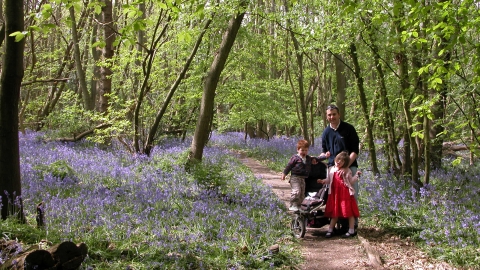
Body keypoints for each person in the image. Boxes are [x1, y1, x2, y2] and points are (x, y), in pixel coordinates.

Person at [320, 104, 360, 226]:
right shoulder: (326, 132)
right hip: (333, 169)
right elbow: (325, 151)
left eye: (334, 114)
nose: (332, 117)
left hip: (349, 167)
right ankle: (338, 222)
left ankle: (352, 225)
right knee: (334, 196)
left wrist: (346, 166)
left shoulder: (348, 129)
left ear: (339, 115)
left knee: (351, 194)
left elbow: (355, 151)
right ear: (326, 116)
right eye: (329, 115)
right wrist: (319, 158)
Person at [318, 151, 361, 238]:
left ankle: (351, 230)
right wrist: (323, 181)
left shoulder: (346, 171)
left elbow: (351, 181)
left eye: (342, 161)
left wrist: (357, 175)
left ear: (345, 163)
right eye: (338, 160)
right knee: (335, 212)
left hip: (345, 194)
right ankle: (330, 230)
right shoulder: (331, 169)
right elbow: (329, 180)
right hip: (335, 194)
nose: (339, 162)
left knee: (349, 212)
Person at [281, 139, 316, 212]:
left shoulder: (308, 158)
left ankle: (299, 206)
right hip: (295, 177)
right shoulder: (295, 158)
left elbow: (317, 159)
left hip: (303, 178)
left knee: (302, 193)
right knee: (297, 191)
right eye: (302, 150)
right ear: (298, 150)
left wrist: (325, 156)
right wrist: (284, 174)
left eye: (306, 150)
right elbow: (289, 166)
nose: (304, 152)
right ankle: (293, 204)